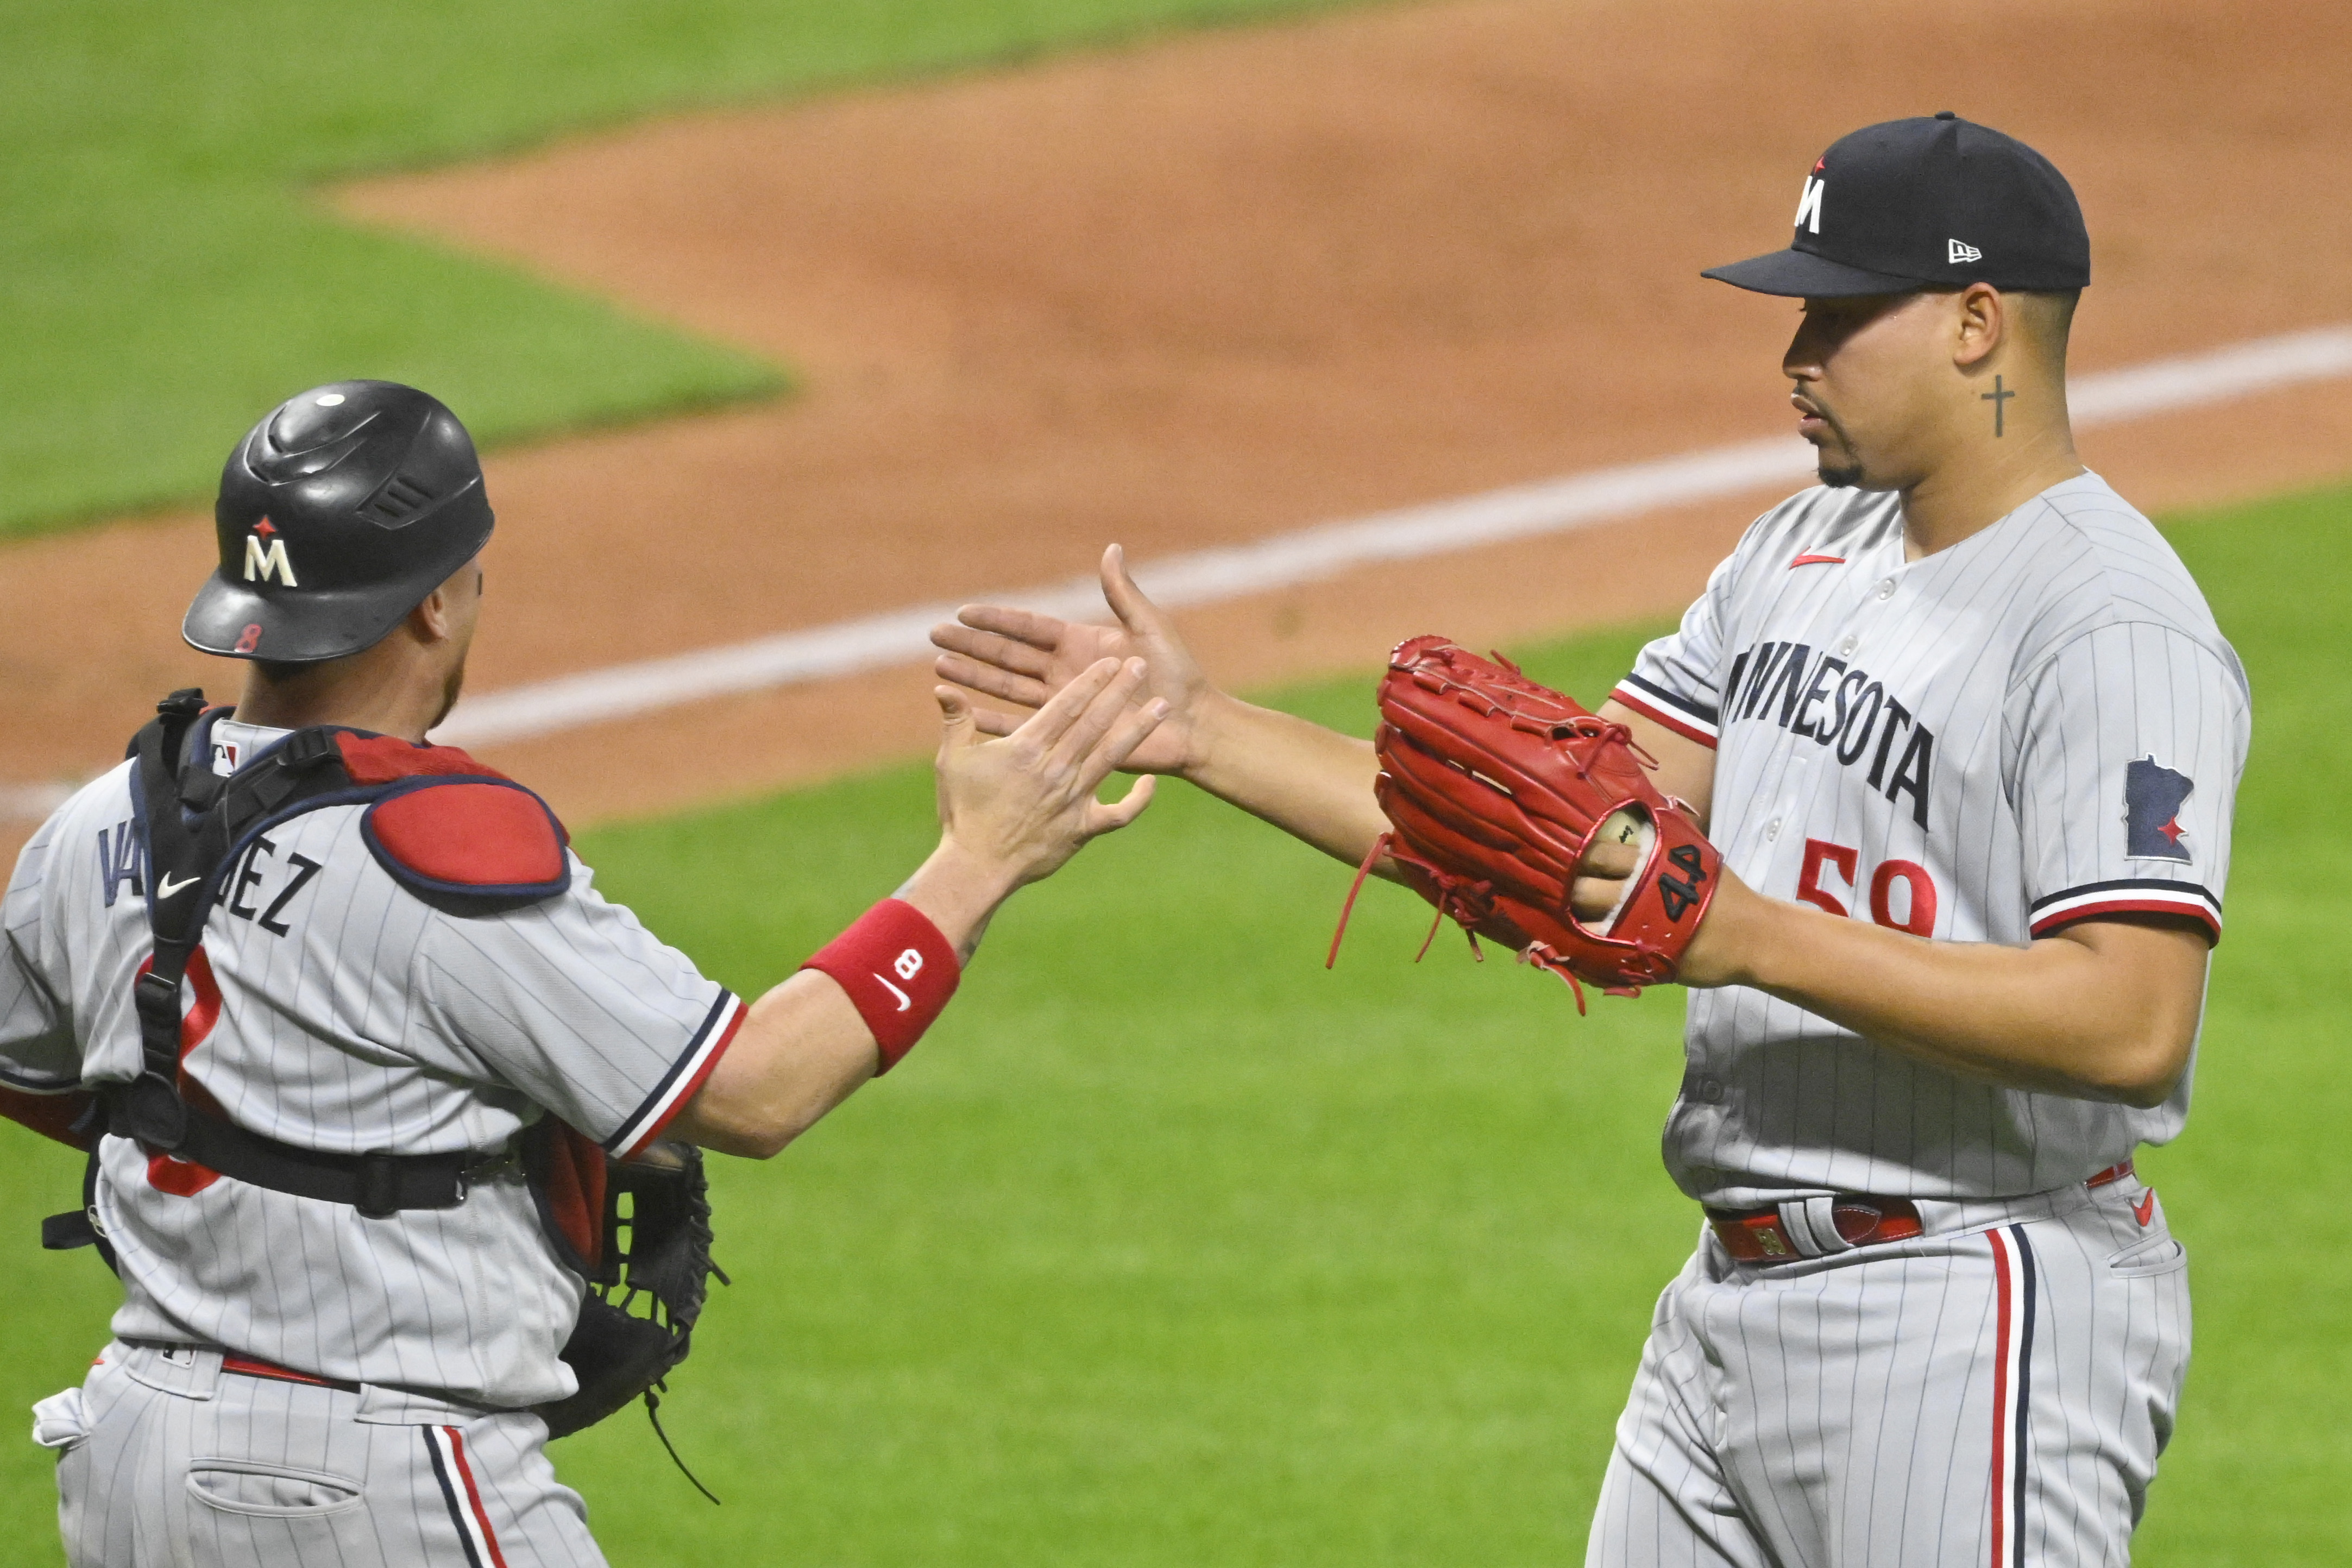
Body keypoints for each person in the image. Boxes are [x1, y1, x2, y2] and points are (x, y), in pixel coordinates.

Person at [930, 114, 2244, 1565]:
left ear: (1978, 324)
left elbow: (2131, 1020)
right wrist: (1199, 729)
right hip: (1727, 1313)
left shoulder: (2107, 625)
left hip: (1970, 1312)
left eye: (1840, 311)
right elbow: (1544, 844)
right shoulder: (1794, 553)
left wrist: (1744, 934)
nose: (1795, 353)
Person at [1, 380, 1165, 1566]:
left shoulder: (95, 824)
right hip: (375, 1484)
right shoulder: (432, 848)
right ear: (437, 602)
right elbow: (760, 1089)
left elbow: (35, 1070)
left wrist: (237, 1141)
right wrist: (977, 861)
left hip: (127, 1460)